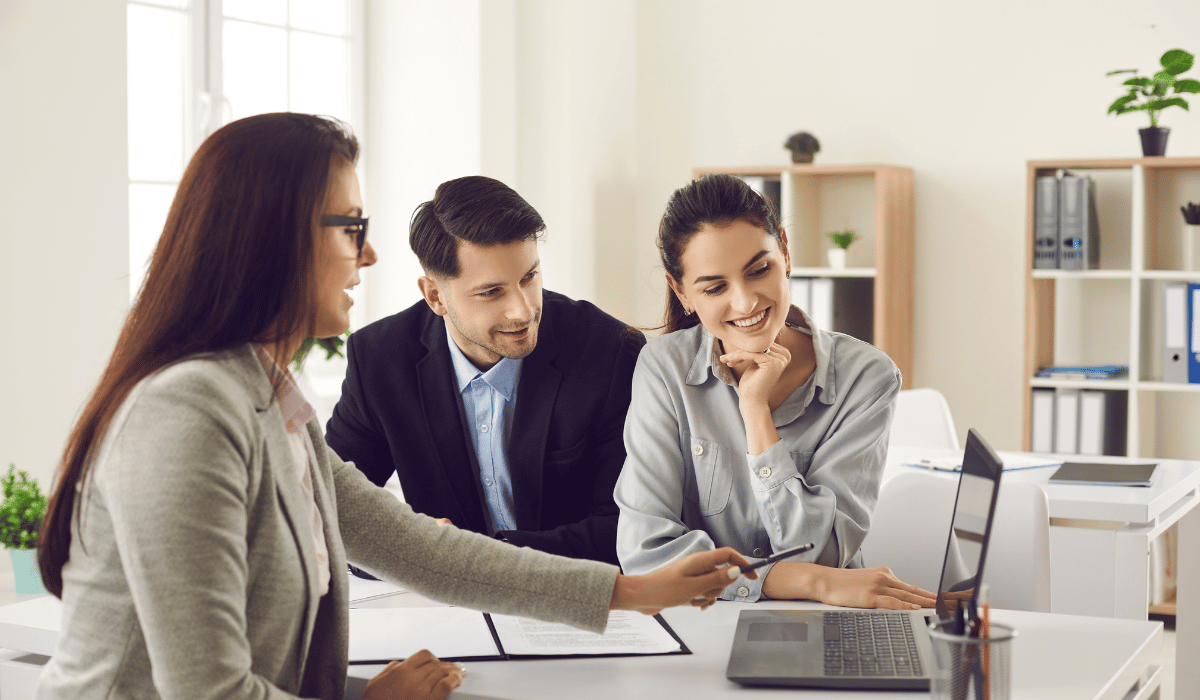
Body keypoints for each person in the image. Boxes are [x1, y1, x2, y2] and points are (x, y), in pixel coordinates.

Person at [35, 114, 753, 700]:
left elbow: (415, 548)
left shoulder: (267, 399)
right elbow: (209, 694)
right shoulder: (187, 411)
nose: (369, 255)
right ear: (272, 238)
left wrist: (629, 592)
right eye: (350, 227)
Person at [614, 173, 935, 609]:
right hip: (705, 624)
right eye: (714, 287)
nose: (746, 303)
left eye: (759, 270)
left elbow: (823, 553)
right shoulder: (663, 368)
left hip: (826, 620)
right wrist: (808, 582)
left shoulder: (867, 376)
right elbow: (647, 556)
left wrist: (755, 412)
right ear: (681, 291)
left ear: (784, 251)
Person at [326, 175, 643, 566]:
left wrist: (470, 558)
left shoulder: (609, 351)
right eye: (491, 292)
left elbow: (628, 529)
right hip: (445, 610)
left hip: (576, 602)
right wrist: (412, 548)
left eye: (529, 277)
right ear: (435, 296)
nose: (523, 310)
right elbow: (329, 513)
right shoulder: (379, 360)